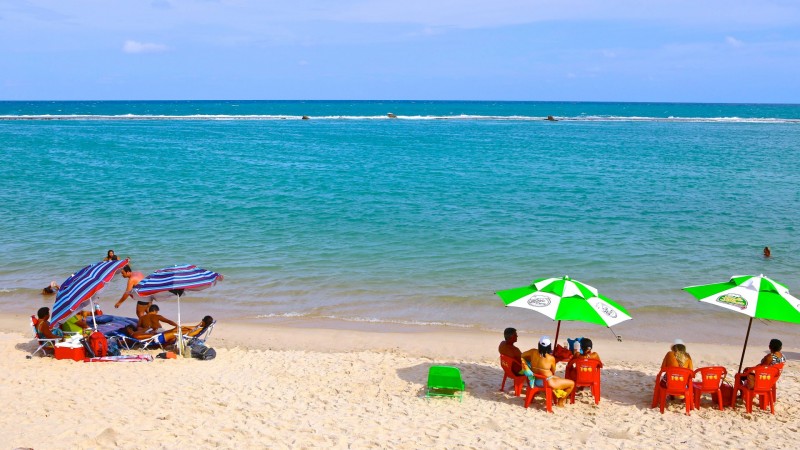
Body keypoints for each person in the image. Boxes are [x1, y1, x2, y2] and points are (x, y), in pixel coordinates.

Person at [521, 336, 575, 406]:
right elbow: (553, 371)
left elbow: (522, 355)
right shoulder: (551, 358)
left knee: (558, 378)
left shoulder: (532, 352)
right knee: (571, 383)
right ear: (549, 347)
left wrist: (529, 364)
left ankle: (556, 395)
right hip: (547, 382)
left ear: (539, 344)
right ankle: (560, 402)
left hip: (534, 380)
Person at [123, 315, 214, 346]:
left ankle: (130, 332)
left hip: (164, 337)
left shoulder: (197, 330)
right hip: (166, 335)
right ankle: (130, 332)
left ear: (203, 321)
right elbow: (191, 329)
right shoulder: (199, 329)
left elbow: (190, 335)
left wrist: (180, 329)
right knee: (147, 334)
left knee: (135, 336)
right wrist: (197, 325)